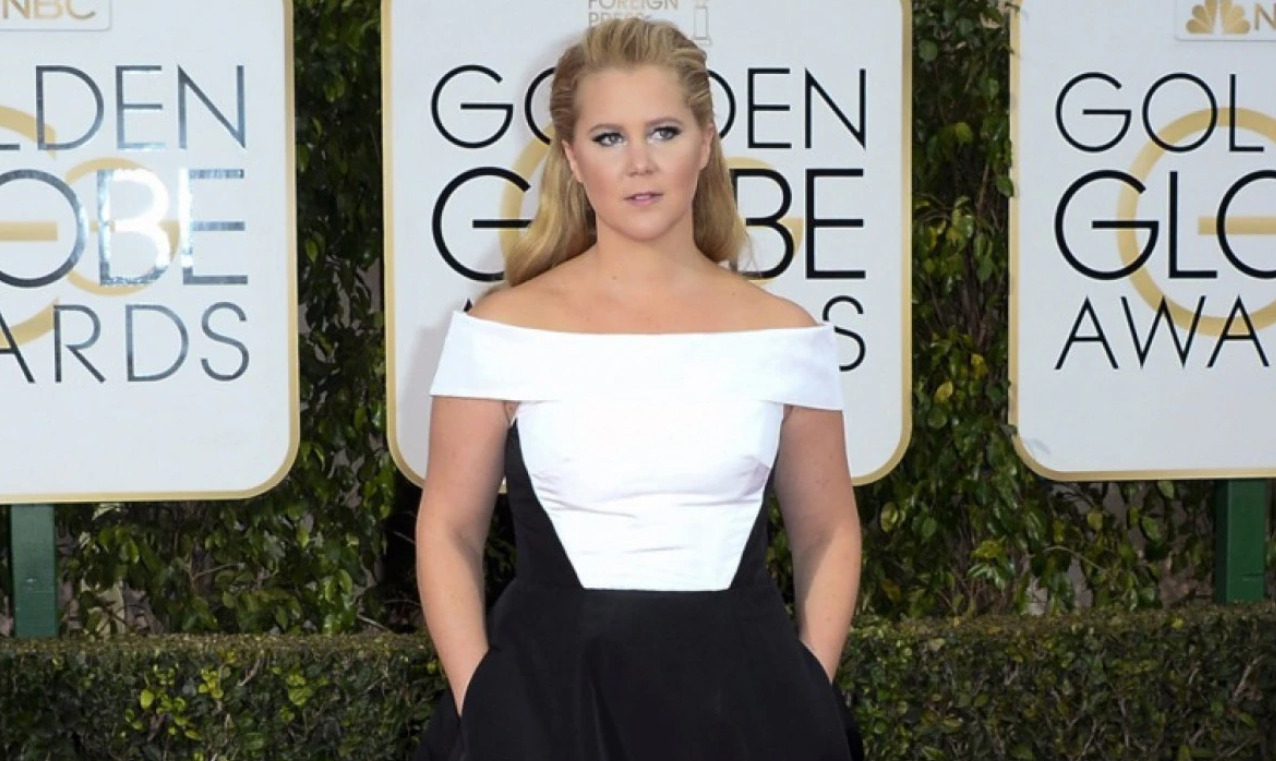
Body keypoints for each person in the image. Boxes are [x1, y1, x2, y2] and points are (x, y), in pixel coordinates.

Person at [413, 17, 864, 761]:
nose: (640, 164)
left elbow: (830, 532)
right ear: (571, 157)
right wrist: (484, 703)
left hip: (751, 715)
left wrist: (806, 686)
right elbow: (447, 530)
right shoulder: (499, 332)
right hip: (546, 713)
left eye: (663, 131)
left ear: (706, 142)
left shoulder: (786, 336)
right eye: (609, 137)